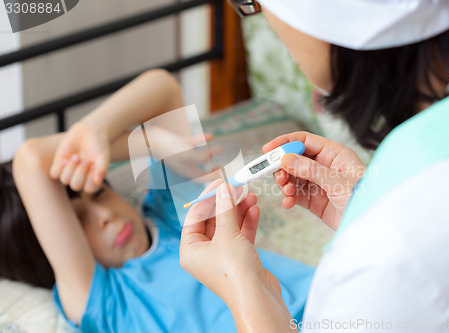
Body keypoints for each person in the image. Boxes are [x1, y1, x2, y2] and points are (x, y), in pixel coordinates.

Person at [179, 1, 449, 332]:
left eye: (253, 2)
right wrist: (366, 203)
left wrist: (244, 290)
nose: (267, 23)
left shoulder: (379, 264)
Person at [7, 69, 314, 332]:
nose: (103, 215)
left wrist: (97, 133)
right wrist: (146, 142)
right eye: (76, 221)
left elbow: (162, 88)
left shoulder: (176, 215)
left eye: (99, 192)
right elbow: (31, 161)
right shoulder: (105, 299)